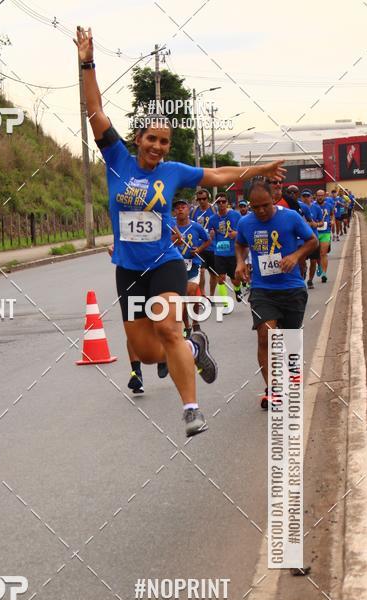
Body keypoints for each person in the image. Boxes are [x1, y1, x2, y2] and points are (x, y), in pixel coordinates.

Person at [75, 25, 286, 435]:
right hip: (127, 270)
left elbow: (219, 173)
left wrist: (259, 168)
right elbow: (95, 110)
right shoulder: (117, 159)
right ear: (138, 139)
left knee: (168, 326)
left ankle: (191, 408)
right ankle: (196, 347)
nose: (158, 146)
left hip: (165, 264)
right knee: (146, 350)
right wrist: (87, 61)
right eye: (152, 139)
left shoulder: (173, 172)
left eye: (165, 141)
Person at [235, 180, 317, 409]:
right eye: (255, 207)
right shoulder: (245, 222)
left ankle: (292, 369)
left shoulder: (290, 217)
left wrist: (296, 256)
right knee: (265, 336)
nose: (260, 211)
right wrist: (240, 263)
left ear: (274, 198)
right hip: (263, 290)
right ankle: (272, 391)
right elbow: (240, 244)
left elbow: (312, 241)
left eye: (265, 205)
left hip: (291, 288)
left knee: (291, 338)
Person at [171, 198, 211, 333]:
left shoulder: (196, 226)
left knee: (191, 292)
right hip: (175, 266)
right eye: (177, 208)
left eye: (183, 207)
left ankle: (195, 321)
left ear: (189, 210)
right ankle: (187, 326)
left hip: (193, 265)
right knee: (180, 300)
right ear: (174, 212)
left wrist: (198, 250)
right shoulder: (170, 226)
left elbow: (207, 240)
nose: (180, 209)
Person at [208, 194, 242, 305]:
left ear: (227, 202)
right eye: (219, 202)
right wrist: (211, 235)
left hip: (233, 252)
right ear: (216, 203)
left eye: (223, 201)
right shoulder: (213, 219)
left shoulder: (236, 215)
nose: (221, 204)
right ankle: (225, 304)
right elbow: (210, 234)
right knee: (221, 278)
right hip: (219, 253)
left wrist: (236, 234)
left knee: (235, 280)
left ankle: (238, 290)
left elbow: (244, 230)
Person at [191, 188, 216, 296]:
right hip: (199, 247)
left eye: (204, 199)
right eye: (199, 199)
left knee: (213, 275)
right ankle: (203, 295)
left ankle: (212, 295)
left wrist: (215, 232)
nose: (201, 201)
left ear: (208, 198)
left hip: (212, 247)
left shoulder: (214, 210)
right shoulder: (194, 212)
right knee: (201, 271)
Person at [300, 189, 323, 288]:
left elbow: (321, 222)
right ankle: (303, 271)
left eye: (307, 196)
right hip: (302, 240)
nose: (305, 198)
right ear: (301, 197)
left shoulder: (316, 208)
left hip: (313, 238)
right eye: (304, 196)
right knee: (301, 261)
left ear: (311, 197)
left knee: (313, 261)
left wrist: (315, 224)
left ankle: (310, 280)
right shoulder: (298, 208)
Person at [314, 188, 335, 282]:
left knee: (323, 253)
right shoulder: (312, 206)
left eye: (321, 195)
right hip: (315, 232)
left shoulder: (329, 205)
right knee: (317, 255)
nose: (320, 197)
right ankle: (319, 265)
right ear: (316, 196)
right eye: (318, 195)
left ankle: (324, 274)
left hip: (326, 232)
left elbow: (332, 214)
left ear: (325, 196)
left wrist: (333, 220)